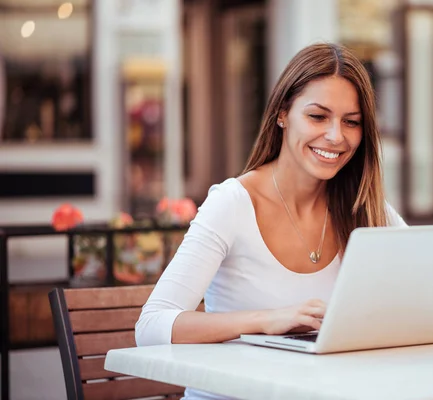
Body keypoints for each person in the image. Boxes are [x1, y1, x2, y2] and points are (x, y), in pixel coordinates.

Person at [135, 43, 408, 399]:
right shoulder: (233, 202)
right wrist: (266, 320)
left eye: (351, 122)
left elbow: (421, 304)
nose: (336, 136)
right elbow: (151, 326)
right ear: (283, 114)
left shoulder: (368, 209)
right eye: (318, 116)